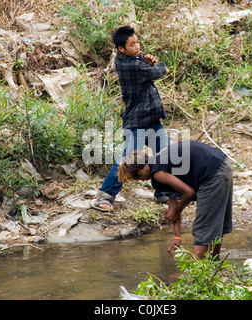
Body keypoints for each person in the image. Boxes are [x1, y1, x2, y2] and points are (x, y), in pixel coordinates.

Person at [91, 26, 172, 212]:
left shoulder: (135, 61)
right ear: (121, 49)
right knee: (127, 160)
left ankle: (162, 192)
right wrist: (158, 66)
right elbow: (157, 72)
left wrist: (144, 60)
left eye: (137, 43)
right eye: (132, 45)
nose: (137, 47)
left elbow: (144, 67)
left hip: (152, 120)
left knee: (166, 155)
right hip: (137, 122)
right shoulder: (129, 65)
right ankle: (104, 196)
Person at [117, 140, 233, 260]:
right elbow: (173, 202)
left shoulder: (158, 172)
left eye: (137, 177)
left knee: (202, 227)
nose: (141, 180)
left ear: (141, 169)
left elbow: (188, 193)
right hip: (222, 164)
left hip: (212, 173)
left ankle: (194, 273)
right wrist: (177, 236)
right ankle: (214, 264)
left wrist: (176, 212)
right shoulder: (159, 162)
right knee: (217, 221)